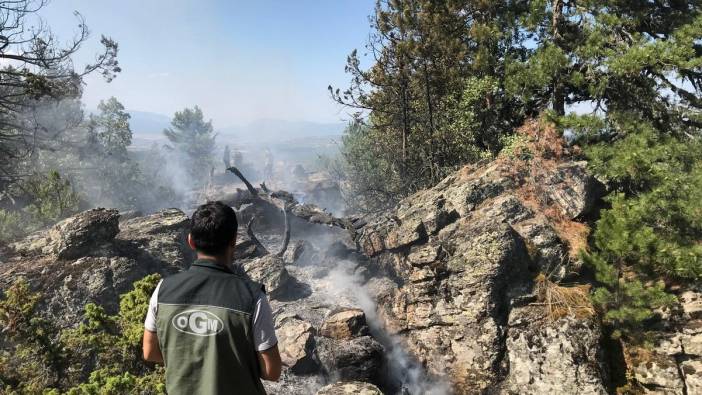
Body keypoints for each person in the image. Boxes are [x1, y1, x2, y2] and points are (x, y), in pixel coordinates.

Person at [142, 201, 281, 394]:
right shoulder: (252, 297)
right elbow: (271, 371)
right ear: (234, 241)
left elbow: (150, 352)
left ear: (190, 241)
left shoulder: (163, 289)